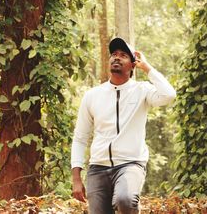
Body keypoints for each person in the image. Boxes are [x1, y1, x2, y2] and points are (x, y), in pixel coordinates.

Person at [71, 37, 176, 214]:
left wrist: (147, 67)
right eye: (114, 54)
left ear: (133, 65)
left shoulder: (142, 91)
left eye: (123, 55)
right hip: (98, 167)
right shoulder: (92, 96)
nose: (117, 57)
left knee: (125, 199)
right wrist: (76, 178)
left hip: (130, 164)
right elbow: (80, 137)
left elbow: (169, 95)